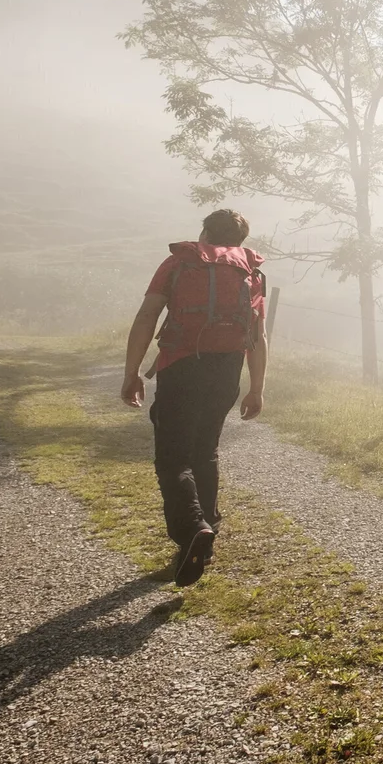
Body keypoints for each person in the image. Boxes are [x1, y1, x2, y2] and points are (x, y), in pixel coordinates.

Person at [120, 209, 268, 587]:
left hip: (181, 367)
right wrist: (256, 388)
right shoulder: (249, 272)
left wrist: (132, 372)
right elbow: (259, 336)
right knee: (205, 451)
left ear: (203, 233)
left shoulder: (179, 263)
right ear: (240, 241)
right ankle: (208, 536)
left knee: (173, 458)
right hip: (227, 371)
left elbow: (147, 316)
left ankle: (193, 530)